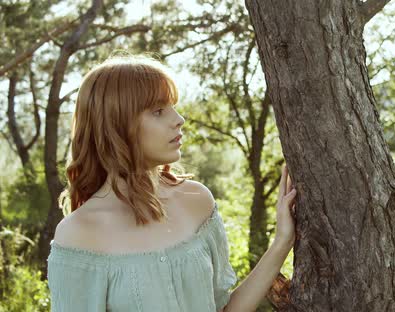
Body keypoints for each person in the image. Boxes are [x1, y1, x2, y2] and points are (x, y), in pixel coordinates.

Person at [47, 55, 298, 312]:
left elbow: (225, 308)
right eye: (158, 111)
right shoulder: (78, 234)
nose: (179, 119)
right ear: (116, 124)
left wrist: (282, 240)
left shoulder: (197, 201)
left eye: (173, 107)